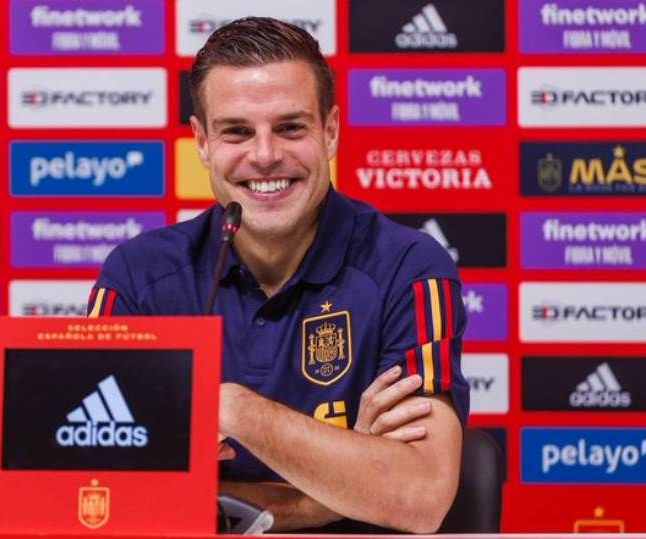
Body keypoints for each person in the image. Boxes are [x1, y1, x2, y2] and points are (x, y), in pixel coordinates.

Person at [88, 17, 469, 534]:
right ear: (201, 142)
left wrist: (233, 409)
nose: (265, 156)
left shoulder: (410, 268)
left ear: (330, 131)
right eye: (237, 131)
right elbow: (96, 489)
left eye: (290, 127)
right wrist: (339, 487)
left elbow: (419, 496)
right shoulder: (137, 276)